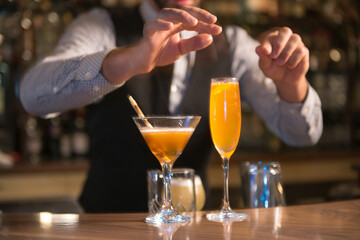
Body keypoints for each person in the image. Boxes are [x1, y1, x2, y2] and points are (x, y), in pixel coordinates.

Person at [20, 0, 323, 213]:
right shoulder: (101, 26)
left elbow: (301, 135)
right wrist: (129, 60)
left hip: (195, 228)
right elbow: (33, 95)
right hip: (107, 227)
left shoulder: (232, 43)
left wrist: (291, 83)